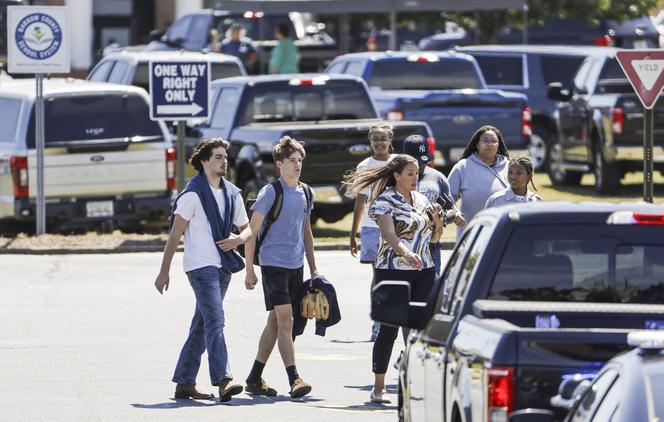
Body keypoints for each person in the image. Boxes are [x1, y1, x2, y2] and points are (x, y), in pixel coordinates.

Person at [154, 138, 251, 402]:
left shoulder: (232, 192)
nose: (224, 161)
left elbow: (248, 229)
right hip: (201, 266)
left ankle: (185, 382)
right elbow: (175, 234)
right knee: (216, 321)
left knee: (203, 324)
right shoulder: (193, 194)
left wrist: (238, 240)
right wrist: (164, 271)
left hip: (224, 265)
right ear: (205, 161)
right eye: (218, 157)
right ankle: (224, 380)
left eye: (226, 157)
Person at [344, 154, 444, 404]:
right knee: (389, 329)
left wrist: (439, 224)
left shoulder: (422, 200)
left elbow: (432, 239)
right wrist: (406, 253)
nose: (415, 177)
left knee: (422, 328)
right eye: (409, 173)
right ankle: (379, 387)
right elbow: (389, 234)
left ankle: (414, 379)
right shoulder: (383, 201)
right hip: (392, 270)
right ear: (396, 175)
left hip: (423, 270)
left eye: (417, 173)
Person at [244, 136, 317, 398]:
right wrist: (250, 270)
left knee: (276, 322)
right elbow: (251, 231)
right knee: (286, 319)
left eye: (299, 161)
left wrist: (314, 269)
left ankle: (254, 377)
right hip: (272, 264)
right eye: (291, 161)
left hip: (296, 265)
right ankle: (294, 379)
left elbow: (306, 233)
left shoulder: (307, 192)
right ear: (279, 164)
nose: (297, 165)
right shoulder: (270, 192)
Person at [348, 124, 394, 342]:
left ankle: (393, 320)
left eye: (383, 138)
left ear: (390, 140)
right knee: (379, 275)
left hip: (397, 227)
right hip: (371, 228)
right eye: (375, 138)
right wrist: (353, 233)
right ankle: (378, 322)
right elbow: (361, 200)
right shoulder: (364, 166)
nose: (379, 142)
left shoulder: (398, 163)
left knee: (396, 275)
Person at [402, 134, 463, 275]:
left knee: (431, 289)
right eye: (417, 162)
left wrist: (441, 218)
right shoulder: (395, 178)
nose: (422, 166)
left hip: (431, 244)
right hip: (403, 244)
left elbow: (451, 208)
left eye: (424, 161)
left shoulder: (438, 178)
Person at [448, 125, 510, 238]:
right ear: (477, 144)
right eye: (485, 140)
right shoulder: (463, 166)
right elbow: (448, 196)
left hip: (503, 233)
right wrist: (455, 213)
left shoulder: (510, 167)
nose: (490, 144)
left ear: (499, 144)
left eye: (494, 141)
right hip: (471, 234)